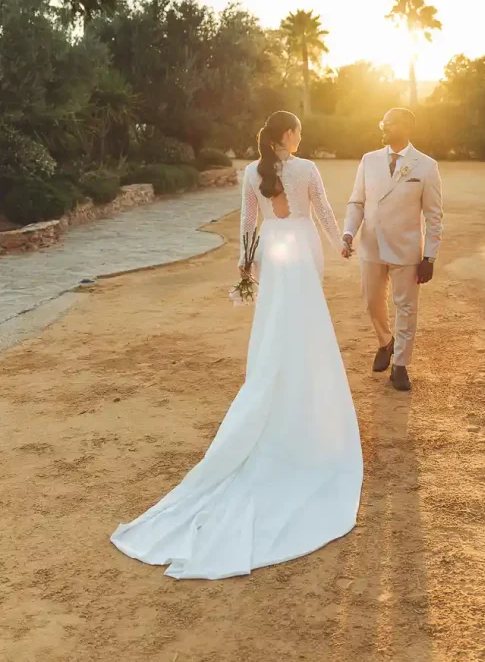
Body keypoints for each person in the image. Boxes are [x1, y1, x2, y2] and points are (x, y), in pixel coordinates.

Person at [111, 111, 362, 579]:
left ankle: (277, 381)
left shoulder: (251, 171)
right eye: (299, 130)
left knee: (275, 327)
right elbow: (324, 212)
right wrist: (341, 243)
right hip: (301, 249)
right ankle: (302, 391)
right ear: (289, 135)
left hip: (272, 250)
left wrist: (244, 266)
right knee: (305, 323)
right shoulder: (306, 169)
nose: (301, 136)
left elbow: (248, 222)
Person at [342, 108, 443, 392]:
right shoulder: (369, 160)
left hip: (407, 250)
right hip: (371, 245)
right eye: (382, 122)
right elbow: (357, 202)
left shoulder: (425, 166)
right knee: (372, 301)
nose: (383, 127)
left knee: (407, 307)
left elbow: (434, 216)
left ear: (406, 128)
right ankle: (386, 341)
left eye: (390, 123)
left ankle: (400, 365)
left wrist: (430, 256)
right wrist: (349, 233)